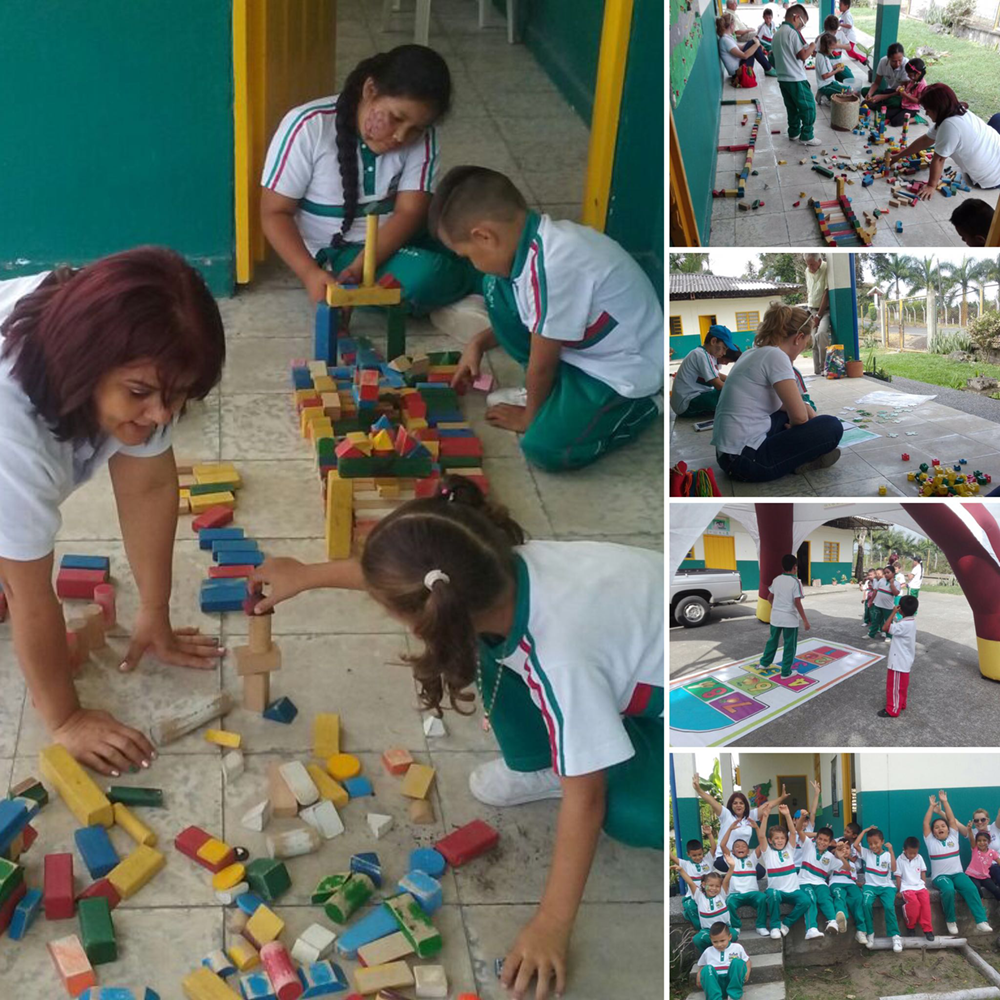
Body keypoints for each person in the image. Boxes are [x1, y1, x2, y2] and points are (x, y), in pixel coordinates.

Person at [250, 475, 664, 998]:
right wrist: (307, 574)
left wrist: (550, 925)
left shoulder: (561, 658)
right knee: (490, 648)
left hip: (681, 704)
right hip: (625, 652)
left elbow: (586, 801)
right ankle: (541, 761)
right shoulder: (490, 566)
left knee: (629, 812)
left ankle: (571, 755)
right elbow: (416, 576)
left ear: (423, 619)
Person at [0, 248, 226, 775]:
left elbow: (147, 486)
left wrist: (154, 609)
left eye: (177, 397)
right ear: (84, 365)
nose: (162, 414)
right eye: (142, 395)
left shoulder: (146, 350)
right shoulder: (12, 426)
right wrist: (67, 719)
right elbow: (31, 593)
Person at [428, 166, 663, 472]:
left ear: (484, 236)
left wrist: (530, 418)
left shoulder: (554, 267)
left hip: (622, 370)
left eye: (467, 254)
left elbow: (542, 365)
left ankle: (643, 408)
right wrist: (478, 343)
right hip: (581, 350)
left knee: (544, 447)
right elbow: (531, 318)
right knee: (494, 286)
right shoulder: (531, 245)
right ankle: (553, 397)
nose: (472, 263)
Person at [260, 45, 484, 338]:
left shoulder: (423, 136)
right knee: (430, 272)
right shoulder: (308, 126)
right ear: (370, 90)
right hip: (341, 251)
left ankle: (463, 292)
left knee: (487, 229)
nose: (401, 136)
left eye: (415, 128)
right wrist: (311, 273)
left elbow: (410, 212)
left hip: (401, 233)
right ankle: (478, 289)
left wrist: (366, 266)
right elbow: (274, 212)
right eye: (396, 117)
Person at [712, 303, 844, 482]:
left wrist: (804, 415)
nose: (802, 349)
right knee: (831, 426)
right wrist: (803, 426)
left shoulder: (752, 353)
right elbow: (800, 417)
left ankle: (797, 458)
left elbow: (789, 406)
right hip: (746, 463)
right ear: (798, 338)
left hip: (727, 456)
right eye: (805, 343)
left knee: (785, 418)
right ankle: (802, 459)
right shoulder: (777, 356)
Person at [889, 84, 1000, 200]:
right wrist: (898, 156)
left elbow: (939, 159)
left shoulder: (949, 126)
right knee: (997, 118)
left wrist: (931, 185)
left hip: (990, 178)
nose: (926, 114)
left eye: (927, 110)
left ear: (938, 109)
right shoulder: (958, 110)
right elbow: (926, 140)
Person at [924, 791, 993, 935]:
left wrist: (945, 802)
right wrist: (931, 807)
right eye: (936, 827)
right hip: (940, 877)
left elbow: (951, 819)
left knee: (970, 887)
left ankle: (981, 921)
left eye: (943, 826)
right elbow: (926, 823)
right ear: (933, 832)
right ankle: (951, 920)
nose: (940, 828)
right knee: (948, 890)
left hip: (957, 874)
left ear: (948, 829)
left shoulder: (953, 837)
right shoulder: (930, 841)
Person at [691, 776, 790, 872]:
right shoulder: (726, 815)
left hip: (742, 856)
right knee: (739, 868)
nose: (738, 805)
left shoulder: (750, 816)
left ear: (745, 806)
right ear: (731, 805)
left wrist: (781, 798)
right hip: (724, 856)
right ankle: (729, 882)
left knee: (760, 872)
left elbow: (767, 806)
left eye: (741, 803)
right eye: (735, 803)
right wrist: (699, 790)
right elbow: (712, 802)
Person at [757, 804, 824, 940]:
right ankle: (775, 926)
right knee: (773, 895)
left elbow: (793, 833)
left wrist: (787, 815)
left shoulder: (789, 850)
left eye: (782, 838)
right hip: (776, 890)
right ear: (771, 841)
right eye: (776, 838)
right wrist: (765, 817)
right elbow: (761, 836)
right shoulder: (768, 852)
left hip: (793, 890)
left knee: (806, 901)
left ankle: (786, 924)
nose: (780, 840)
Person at [796, 780, 846, 934]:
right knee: (810, 898)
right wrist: (801, 820)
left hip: (818, 877)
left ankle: (833, 923)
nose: (823, 842)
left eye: (826, 840)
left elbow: (812, 812)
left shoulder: (827, 854)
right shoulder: (808, 842)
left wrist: (817, 793)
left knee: (825, 896)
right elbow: (798, 830)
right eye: (821, 839)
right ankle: (811, 928)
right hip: (801, 869)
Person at [772, 5, 820, 146]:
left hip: (782, 79)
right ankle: (807, 135)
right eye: (802, 24)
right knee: (808, 106)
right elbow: (803, 56)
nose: (801, 28)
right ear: (796, 17)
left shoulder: (777, 33)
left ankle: (794, 132)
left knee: (791, 107)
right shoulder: (793, 33)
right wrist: (812, 45)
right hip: (796, 78)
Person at [758, 554, 810, 677]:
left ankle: (764, 663)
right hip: (789, 620)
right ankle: (786, 672)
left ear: (782, 566)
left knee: (772, 641)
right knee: (789, 645)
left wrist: (776, 607)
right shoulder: (796, 582)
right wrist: (805, 621)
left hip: (776, 617)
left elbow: (769, 597)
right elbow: (797, 602)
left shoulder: (776, 580)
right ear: (795, 567)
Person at [671, 326, 740, 418]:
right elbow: (718, 385)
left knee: (730, 390)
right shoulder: (702, 355)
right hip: (686, 404)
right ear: (713, 341)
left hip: (688, 401)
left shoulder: (705, 355)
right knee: (728, 393)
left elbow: (716, 375)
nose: (724, 353)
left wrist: (733, 380)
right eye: (723, 348)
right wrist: (741, 390)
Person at [720, 816, 770, 938]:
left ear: (748, 850)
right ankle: (736, 926)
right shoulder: (730, 860)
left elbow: (762, 842)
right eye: (737, 847)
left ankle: (761, 926)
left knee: (763, 898)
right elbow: (722, 844)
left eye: (743, 846)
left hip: (752, 893)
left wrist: (757, 827)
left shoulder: (752, 859)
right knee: (729, 902)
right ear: (732, 851)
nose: (740, 848)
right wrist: (730, 829)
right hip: (736, 894)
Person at [854, 825, 901, 951]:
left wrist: (891, 851)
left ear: (882, 842)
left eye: (876, 843)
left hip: (887, 887)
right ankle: (870, 934)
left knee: (889, 906)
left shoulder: (886, 855)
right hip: (870, 886)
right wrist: (864, 831)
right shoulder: (867, 853)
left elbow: (895, 869)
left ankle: (895, 936)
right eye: (870, 843)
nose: (873, 846)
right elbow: (855, 845)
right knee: (866, 903)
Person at [879, 594, 918, 718]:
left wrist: (892, 612)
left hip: (898, 662)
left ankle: (892, 709)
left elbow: (885, 627)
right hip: (905, 660)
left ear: (900, 608)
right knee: (902, 686)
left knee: (894, 687)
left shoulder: (903, 625)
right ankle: (901, 703)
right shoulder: (910, 622)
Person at [673, 829, 719, 931]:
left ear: (703, 852)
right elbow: (671, 857)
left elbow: (713, 848)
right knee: (690, 907)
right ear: (688, 854)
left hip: (710, 894)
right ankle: (702, 929)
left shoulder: (708, 860)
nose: (698, 857)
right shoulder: (686, 864)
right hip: (693, 896)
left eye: (700, 854)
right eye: (694, 855)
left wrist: (710, 834)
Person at [695, 922, 752, 1000]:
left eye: (722, 940)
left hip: (732, 981)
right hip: (715, 984)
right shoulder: (708, 951)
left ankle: (733, 996)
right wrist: (698, 977)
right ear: (710, 939)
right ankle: (715, 998)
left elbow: (747, 961)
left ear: (730, 937)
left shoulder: (737, 947)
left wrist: (747, 972)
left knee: (738, 962)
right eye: (715, 942)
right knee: (707, 968)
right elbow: (702, 966)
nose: (719, 944)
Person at [830, 837, 870, 944]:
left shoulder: (852, 865)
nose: (845, 850)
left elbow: (854, 879)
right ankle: (842, 918)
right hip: (836, 882)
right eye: (843, 848)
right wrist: (838, 850)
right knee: (839, 896)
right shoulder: (833, 859)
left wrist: (861, 884)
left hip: (850, 884)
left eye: (847, 848)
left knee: (858, 898)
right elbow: (834, 853)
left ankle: (861, 930)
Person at [896, 836, 934, 941]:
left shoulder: (919, 858)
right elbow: (898, 876)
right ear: (904, 850)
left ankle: (927, 929)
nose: (913, 855)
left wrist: (924, 886)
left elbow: (923, 872)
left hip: (919, 886)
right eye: (910, 853)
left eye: (915, 853)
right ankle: (910, 926)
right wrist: (899, 890)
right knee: (914, 904)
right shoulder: (899, 859)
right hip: (906, 887)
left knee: (925, 903)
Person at [716, 13, 773, 82]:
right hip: (738, 73)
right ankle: (768, 68)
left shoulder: (727, 37)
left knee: (752, 42)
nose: (735, 26)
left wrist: (755, 43)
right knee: (753, 44)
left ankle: (768, 68)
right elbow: (745, 56)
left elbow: (742, 47)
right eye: (734, 24)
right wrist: (756, 44)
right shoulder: (725, 41)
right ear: (731, 25)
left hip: (739, 68)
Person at [804, 254, 832, 375]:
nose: (809, 267)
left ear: (819, 261)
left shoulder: (826, 268)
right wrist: (811, 313)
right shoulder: (807, 270)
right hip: (812, 309)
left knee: (821, 334)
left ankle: (825, 367)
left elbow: (826, 293)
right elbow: (810, 290)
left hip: (824, 311)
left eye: (812, 264)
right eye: (807, 264)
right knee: (814, 340)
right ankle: (817, 371)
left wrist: (818, 316)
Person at [814, 31, 854, 105]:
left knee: (848, 89)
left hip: (831, 82)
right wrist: (837, 70)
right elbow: (825, 76)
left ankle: (827, 95)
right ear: (826, 47)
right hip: (826, 85)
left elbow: (826, 69)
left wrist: (834, 66)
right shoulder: (822, 58)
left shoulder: (823, 55)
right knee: (847, 92)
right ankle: (824, 95)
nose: (834, 50)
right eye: (832, 48)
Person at [865, 44, 909, 111]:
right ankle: (880, 104)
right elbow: (876, 83)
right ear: (888, 58)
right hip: (889, 90)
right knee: (864, 91)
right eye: (894, 61)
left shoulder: (906, 65)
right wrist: (869, 94)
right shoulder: (883, 61)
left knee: (894, 102)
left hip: (900, 94)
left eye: (900, 60)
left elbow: (902, 91)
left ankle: (878, 105)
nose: (897, 64)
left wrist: (882, 97)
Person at [886, 58, 928, 128]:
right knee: (886, 114)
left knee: (895, 122)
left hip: (912, 109)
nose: (908, 76)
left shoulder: (922, 84)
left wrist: (905, 95)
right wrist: (902, 88)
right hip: (904, 105)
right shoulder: (913, 79)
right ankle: (900, 115)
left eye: (910, 74)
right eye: (907, 74)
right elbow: (907, 88)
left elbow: (918, 101)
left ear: (918, 74)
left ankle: (917, 118)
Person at [965, 830, 1000, 902]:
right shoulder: (975, 849)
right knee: (976, 887)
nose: (982, 843)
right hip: (973, 876)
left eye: (984, 840)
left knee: (994, 889)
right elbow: (971, 839)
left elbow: (998, 861)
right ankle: (981, 902)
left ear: (989, 841)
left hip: (984, 877)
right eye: (979, 841)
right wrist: (970, 830)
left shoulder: (992, 852)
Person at [867, 564, 898, 641]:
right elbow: (875, 591)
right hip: (878, 604)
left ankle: (889, 636)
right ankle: (871, 634)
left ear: (893, 573)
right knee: (875, 620)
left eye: (888, 572)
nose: (886, 574)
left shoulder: (896, 583)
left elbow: (896, 593)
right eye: (885, 573)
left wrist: (891, 584)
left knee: (888, 621)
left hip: (888, 606)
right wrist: (871, 601)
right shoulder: (881, 581)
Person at [836, 0, 867, 64]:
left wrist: (839, 24)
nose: (839, 7)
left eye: (840, 5)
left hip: (850, 37)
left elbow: (849, 25)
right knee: (850, 52)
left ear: (846, 6)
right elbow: (843, 24)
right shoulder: (843, 14)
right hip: (847, 36)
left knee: (850, 52)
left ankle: (863, 59)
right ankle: (858, 58)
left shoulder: (847, 15)